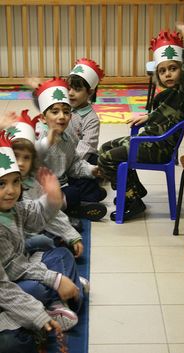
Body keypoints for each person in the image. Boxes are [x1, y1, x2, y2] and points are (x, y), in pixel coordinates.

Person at [98, 22, 184, 221]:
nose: (168, 74)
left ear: (182, 70)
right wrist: (149, 117)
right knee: (104, 148)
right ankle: (135, 189)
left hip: (157, 148)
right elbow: (167, 114)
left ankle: (132, 200)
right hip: (150, 141)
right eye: (162, 71)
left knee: (106, 159)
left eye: (173, 69)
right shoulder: (170, 95)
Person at [0, 131, 85, 352]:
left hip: (16, 279)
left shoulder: (14, 208)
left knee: (61, 254)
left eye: (15, 182)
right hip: (7, 288)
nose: (10, 191)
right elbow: (5, 283)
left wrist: (52, 199)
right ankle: (50, 309)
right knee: (15, 340)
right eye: (1, 184)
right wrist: (55, 280)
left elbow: (35, 213)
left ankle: (55, 305)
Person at [8, 110, 84, 257]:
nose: (20, 163)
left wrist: (70, 234)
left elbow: (48, 211)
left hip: (30, 231)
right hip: (10, 242)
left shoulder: (32, 182)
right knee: (45, 242)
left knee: (52, 238)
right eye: (15, 156)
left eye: (26, 158)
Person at [34, 78, 107, 221]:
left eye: (66, 112)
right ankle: (76, 208)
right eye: (55, 112)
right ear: (43, 118)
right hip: (41, 191)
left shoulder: (69, 136)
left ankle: (82, 202)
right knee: (73, 193)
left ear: (70, 115)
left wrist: (91, 170)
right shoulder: (38, 136)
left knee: (88, 180)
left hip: (63, 182)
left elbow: (74, 163)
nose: (62, 116)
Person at [67, 57, 105, 165]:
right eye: (69, 88)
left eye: (77, 89)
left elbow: (86, 148)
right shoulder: (63, 108)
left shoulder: (91, 119)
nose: (70, 93)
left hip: (79, 162)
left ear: (90, 92)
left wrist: (67, 165)